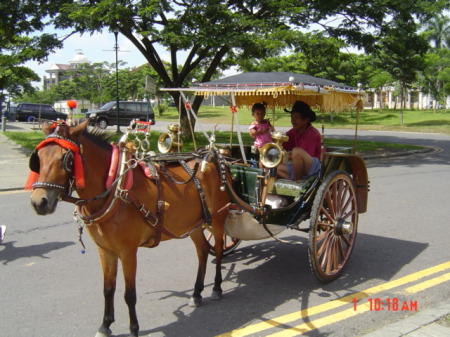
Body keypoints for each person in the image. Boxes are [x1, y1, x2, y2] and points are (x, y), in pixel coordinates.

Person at [277, 101, 322, 181]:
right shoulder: (293, 131)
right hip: (296, 165)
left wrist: (286, 156)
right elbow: (282, 142)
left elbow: (300, 156)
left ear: (305, 120)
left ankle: (297, 183)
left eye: (296, 117)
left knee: (296, 152)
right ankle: (295, 182)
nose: (293, 120)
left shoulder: (312, 134)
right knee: (274, 167)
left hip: (313, 167)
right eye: (292, 117)